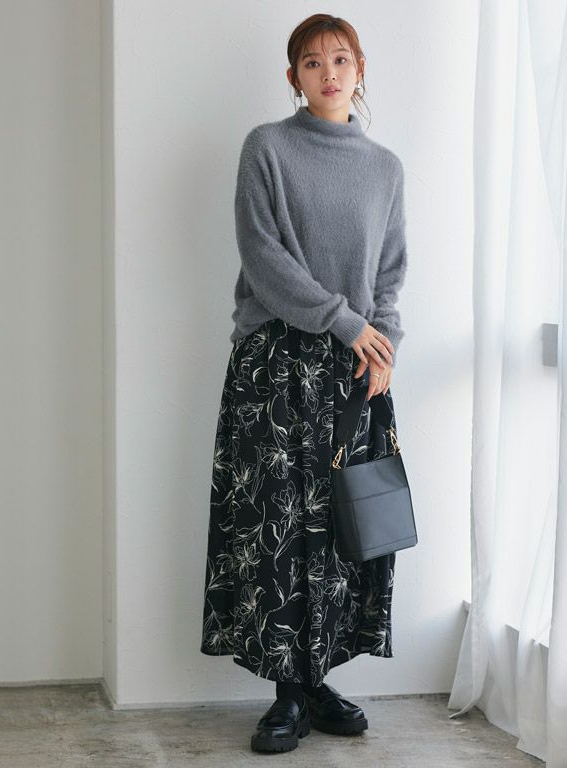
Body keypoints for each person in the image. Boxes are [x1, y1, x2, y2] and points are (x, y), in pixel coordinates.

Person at [200, 13, 409, 754]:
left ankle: (318, 680)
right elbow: (263, 258)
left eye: (341, 59)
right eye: (312, 62)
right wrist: (346, 323)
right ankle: (286, 694)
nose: (328, 72)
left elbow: (390, 272)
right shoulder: (267, 148)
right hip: (276, 360)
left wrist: (384, 345)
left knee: (347, 527)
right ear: (293, 77)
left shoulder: (385, 168)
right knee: (277, 527)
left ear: (360, 70)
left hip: (355, 370)